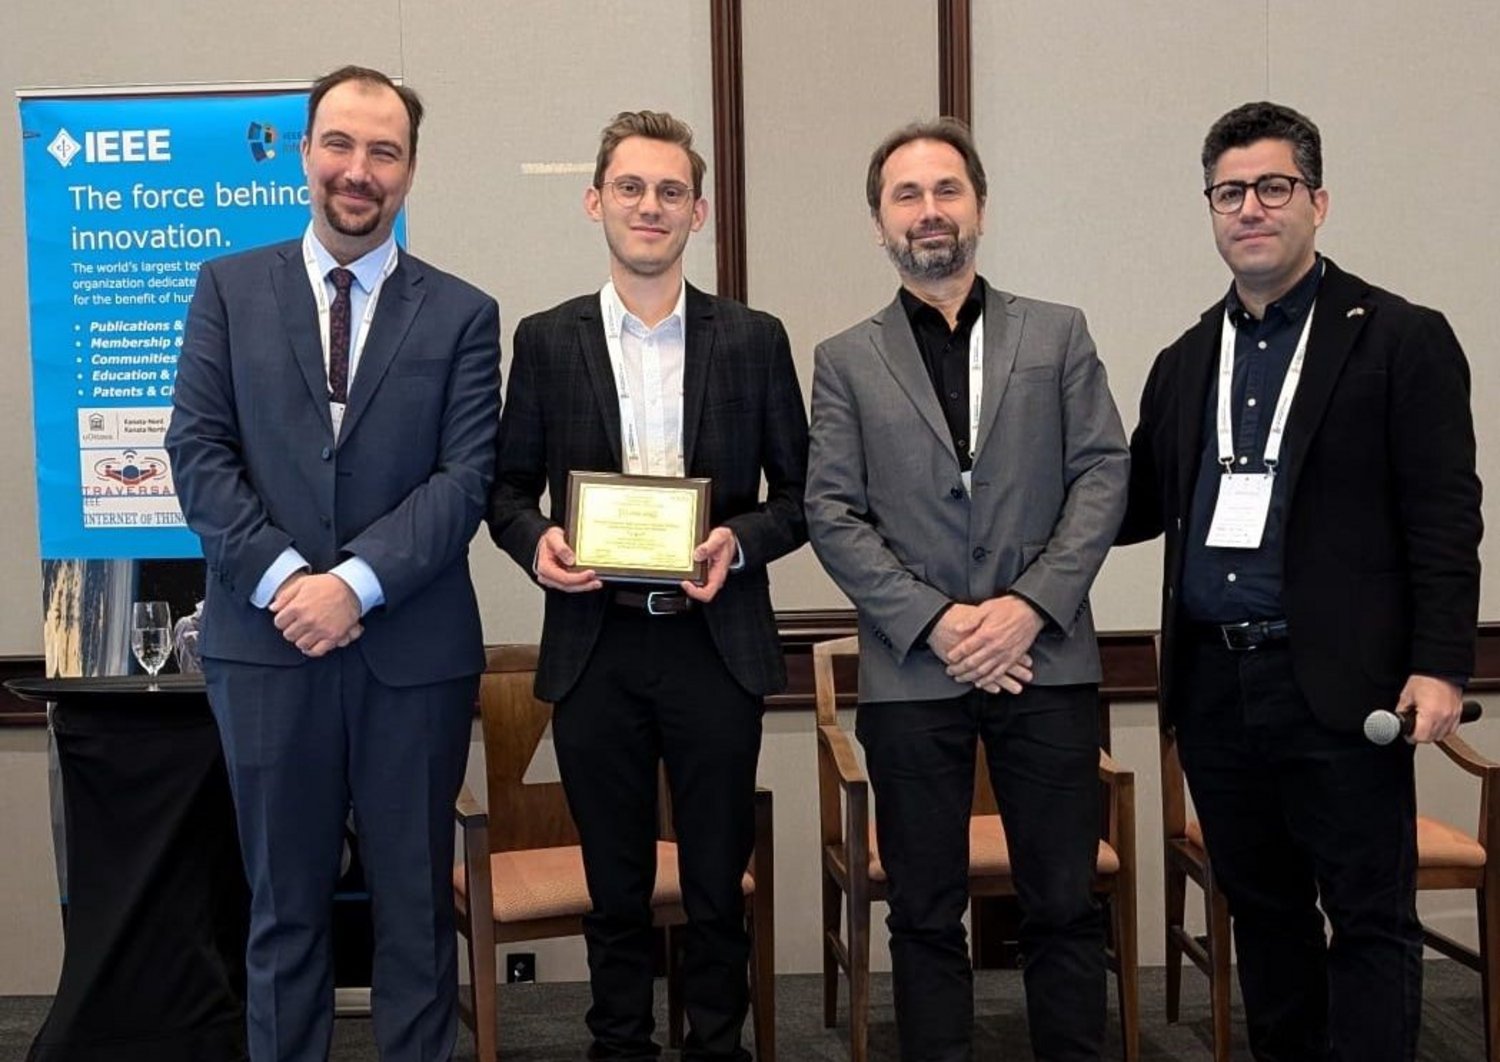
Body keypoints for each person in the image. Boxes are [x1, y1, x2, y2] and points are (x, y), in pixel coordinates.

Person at [1117, 100, 1483, 1061]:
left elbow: (1445, 518)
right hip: (1215, 691)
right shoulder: (1186, 359)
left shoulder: (1401, 339)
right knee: (1267, 919)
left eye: (1272, 187)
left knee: (1368, 922)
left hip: (1342, 686)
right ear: (1210, 209)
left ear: (1318, 201)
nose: (1250, 208)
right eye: (1228, 192)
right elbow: (1134, 505)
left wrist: (1442, 667)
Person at [164, 65, 500, 1062]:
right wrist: (286, 585)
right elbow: (199, 453)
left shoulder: (464, 313)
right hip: (265, 651)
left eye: (384, 152)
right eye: (342, 146)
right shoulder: (227, 289)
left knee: (413, 916)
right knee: (284, 915)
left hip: (415, 657)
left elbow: (466, 478)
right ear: (306, 153)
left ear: (410, 170)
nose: (361, 171)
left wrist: (352, 584)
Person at [804, 118, 1130, 1062]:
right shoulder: (845, 359)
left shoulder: (1056, 332)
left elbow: (1103, 473)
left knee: (1065, 903)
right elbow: (833, 513)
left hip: (1048, 662)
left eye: (947, 190)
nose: (929, 210)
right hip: (915, 672)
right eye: (906, 195)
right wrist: (940, 621)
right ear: (879, 222)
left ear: (979, 206)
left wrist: (1028, 606)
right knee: (923, 911)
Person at [487, 110, 807, 1061]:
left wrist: (736, 543)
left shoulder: (753, 338)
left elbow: (801, 496)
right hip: (597, 642)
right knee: (613, 880)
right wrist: (538, 541)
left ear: (698, 211)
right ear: (597, 201)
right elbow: (503, 489)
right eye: (630, 187)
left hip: (714, 637)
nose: (650, 206)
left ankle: (719, 1045)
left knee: (716, 879)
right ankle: (617, 1042)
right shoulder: (547, 340)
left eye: (671, 190)